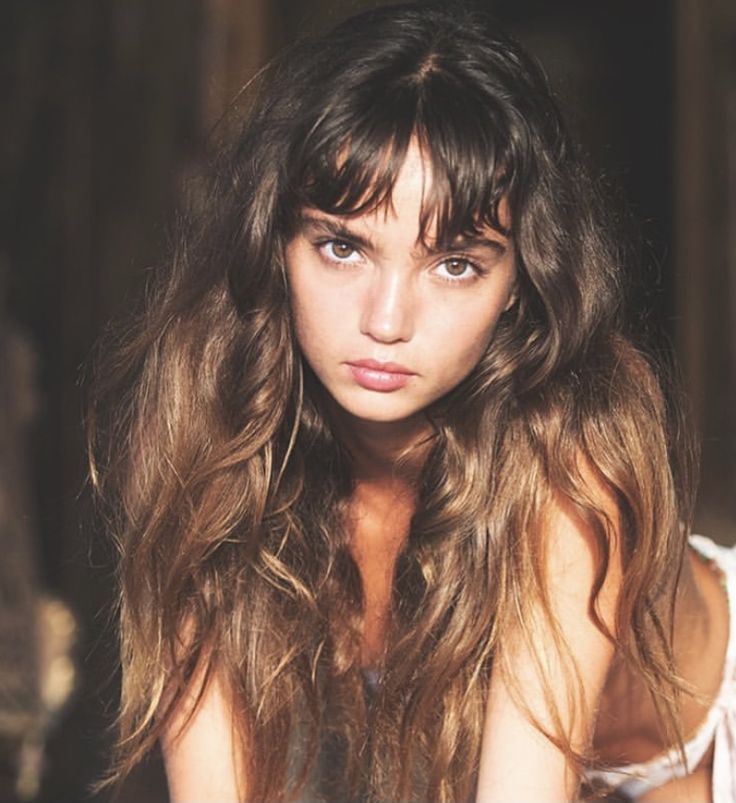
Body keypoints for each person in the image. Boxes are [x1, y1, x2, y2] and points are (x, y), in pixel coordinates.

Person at [87, 3, 734, 801]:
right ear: (273, 243)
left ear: (518, 284)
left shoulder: (566, 469)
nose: (385, 322)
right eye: (342, 246)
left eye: (455, 264)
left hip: (706, 735)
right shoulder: (204, 435)